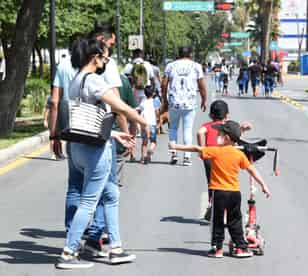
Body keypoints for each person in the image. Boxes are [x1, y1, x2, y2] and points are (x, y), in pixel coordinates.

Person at [55, 37, 148, 269]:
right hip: (95, 151)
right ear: (94, 57)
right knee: (89, 201)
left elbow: (86, 118)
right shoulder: (93, 80)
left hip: (79, 146)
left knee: (111, 195)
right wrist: (143, 122)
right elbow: (119, 106)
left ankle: (116, 248)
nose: (106, 60)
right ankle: (69, 251)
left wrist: (115, 135)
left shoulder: (76, 80)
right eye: (105, 56)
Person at [169, 120, 271, 258]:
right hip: (235, 193)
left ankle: (217, 249)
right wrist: (263, 185)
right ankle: (241, 248)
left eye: (220, 134)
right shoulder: (239, 154)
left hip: (219, 192)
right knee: (235, 221)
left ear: (227, 138)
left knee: (218, 221)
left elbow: (196, 149)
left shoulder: (216, 151)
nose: (218, 135)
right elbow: (251, 169)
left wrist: (176, 146)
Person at [197, 100, 252, 221]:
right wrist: (243, 129)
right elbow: (235, 135)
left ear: (211, 115)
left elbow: (200, 132)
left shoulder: (207, 126)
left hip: (210, 156)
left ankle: (213, 204)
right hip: (225, 156)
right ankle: (225, 208)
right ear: (227, 114)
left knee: (212, 182)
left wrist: (202, 149)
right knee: (227, 180)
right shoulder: (228, 126)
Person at [161, 46, 207, 166]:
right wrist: (204, 99)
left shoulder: (170, 66)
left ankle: (174, 153)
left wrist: (164, 100)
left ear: (178, 54)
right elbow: (201, 85)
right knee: (187, 129)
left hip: (174, 102)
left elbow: (164, 84)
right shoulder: (196, 66)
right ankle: (187, 157)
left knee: (173, 129)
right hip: (189, 103)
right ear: (190, 54)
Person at [137, 86, 161, 164]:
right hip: (152, 124)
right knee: (153, 141)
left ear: (144, 93)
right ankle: (150, 150)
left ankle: (142, 158)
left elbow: (139, 111)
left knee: (144, 142)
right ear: (153, 93)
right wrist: (158, 119)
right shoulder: (155, 101)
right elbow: (157, 111)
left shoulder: (143, 102)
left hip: (144, 124)